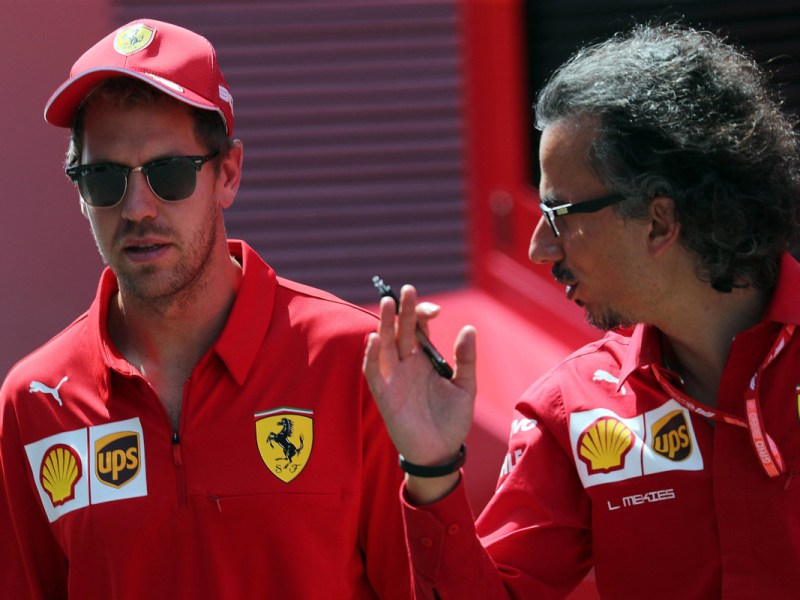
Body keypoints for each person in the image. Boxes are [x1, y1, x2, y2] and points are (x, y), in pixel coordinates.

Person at [363, 22, 800, 599]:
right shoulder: (571, 408)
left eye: (559, 214)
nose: (538, 249)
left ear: (659, 222)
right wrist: (431, 467)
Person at [0, 19, 411, 599]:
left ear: (228, 174)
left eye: (168, 173)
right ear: (79, 191)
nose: (137, 208)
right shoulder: (36, 401)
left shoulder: (357, 362)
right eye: (103, 178)